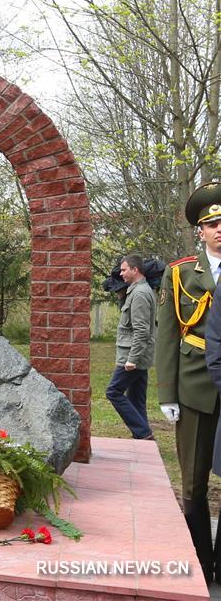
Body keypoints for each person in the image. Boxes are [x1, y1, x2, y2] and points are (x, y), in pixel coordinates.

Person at [157, 182, 221, 585]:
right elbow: (166, 335)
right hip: (196, 386)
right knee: (195, 481)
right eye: (211, 223)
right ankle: (200, 560)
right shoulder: (180, 272)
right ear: (200, 231)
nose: (219, 229)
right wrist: (167, 394)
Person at [105, 254, 156, 440]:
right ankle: (143, 438)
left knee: (113, 392)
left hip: (133, 356)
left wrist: (132, 359)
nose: (121, 273)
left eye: (124, 269)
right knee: (136, 400)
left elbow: (142, 331)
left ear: (135, 270)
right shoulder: (136, 290)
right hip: (138, 355)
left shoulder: (140, 294)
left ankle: (143, 433)